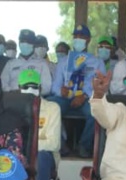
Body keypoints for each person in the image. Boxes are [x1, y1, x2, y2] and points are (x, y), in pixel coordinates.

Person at [50, 25, 103, 158]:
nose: (78, 39)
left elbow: (100, 86)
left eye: (82, 36)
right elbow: (55, 86)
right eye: (75, 36)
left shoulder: (96, 62)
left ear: (88, 39)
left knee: (96, 111)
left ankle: (84, 146)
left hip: (86, 99)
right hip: (65, 98)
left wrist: (85, 96)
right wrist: (60, 91)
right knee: (49, 107)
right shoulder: (63, 61)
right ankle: (60, 144)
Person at [18, 69, 61, 180]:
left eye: (34, 86)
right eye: (25, 87)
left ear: (40, 88)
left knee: (42, 156)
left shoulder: (52, 108)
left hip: (45, 158)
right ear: (19, 88)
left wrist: (26, 146)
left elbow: (54, 144)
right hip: (19, 155)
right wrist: (39, 141)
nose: (30, 90)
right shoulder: (12, 109)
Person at [1, 29, 52, 95]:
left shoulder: (42, 63)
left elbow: (47, 87)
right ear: (19, 43)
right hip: (13, 97)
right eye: (22, 41)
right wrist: (14, 93)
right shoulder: (10, 64)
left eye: (28, 42)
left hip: (34, 98)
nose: (25, 44)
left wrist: (33, 91)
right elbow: (3, 83)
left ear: (33, 44)